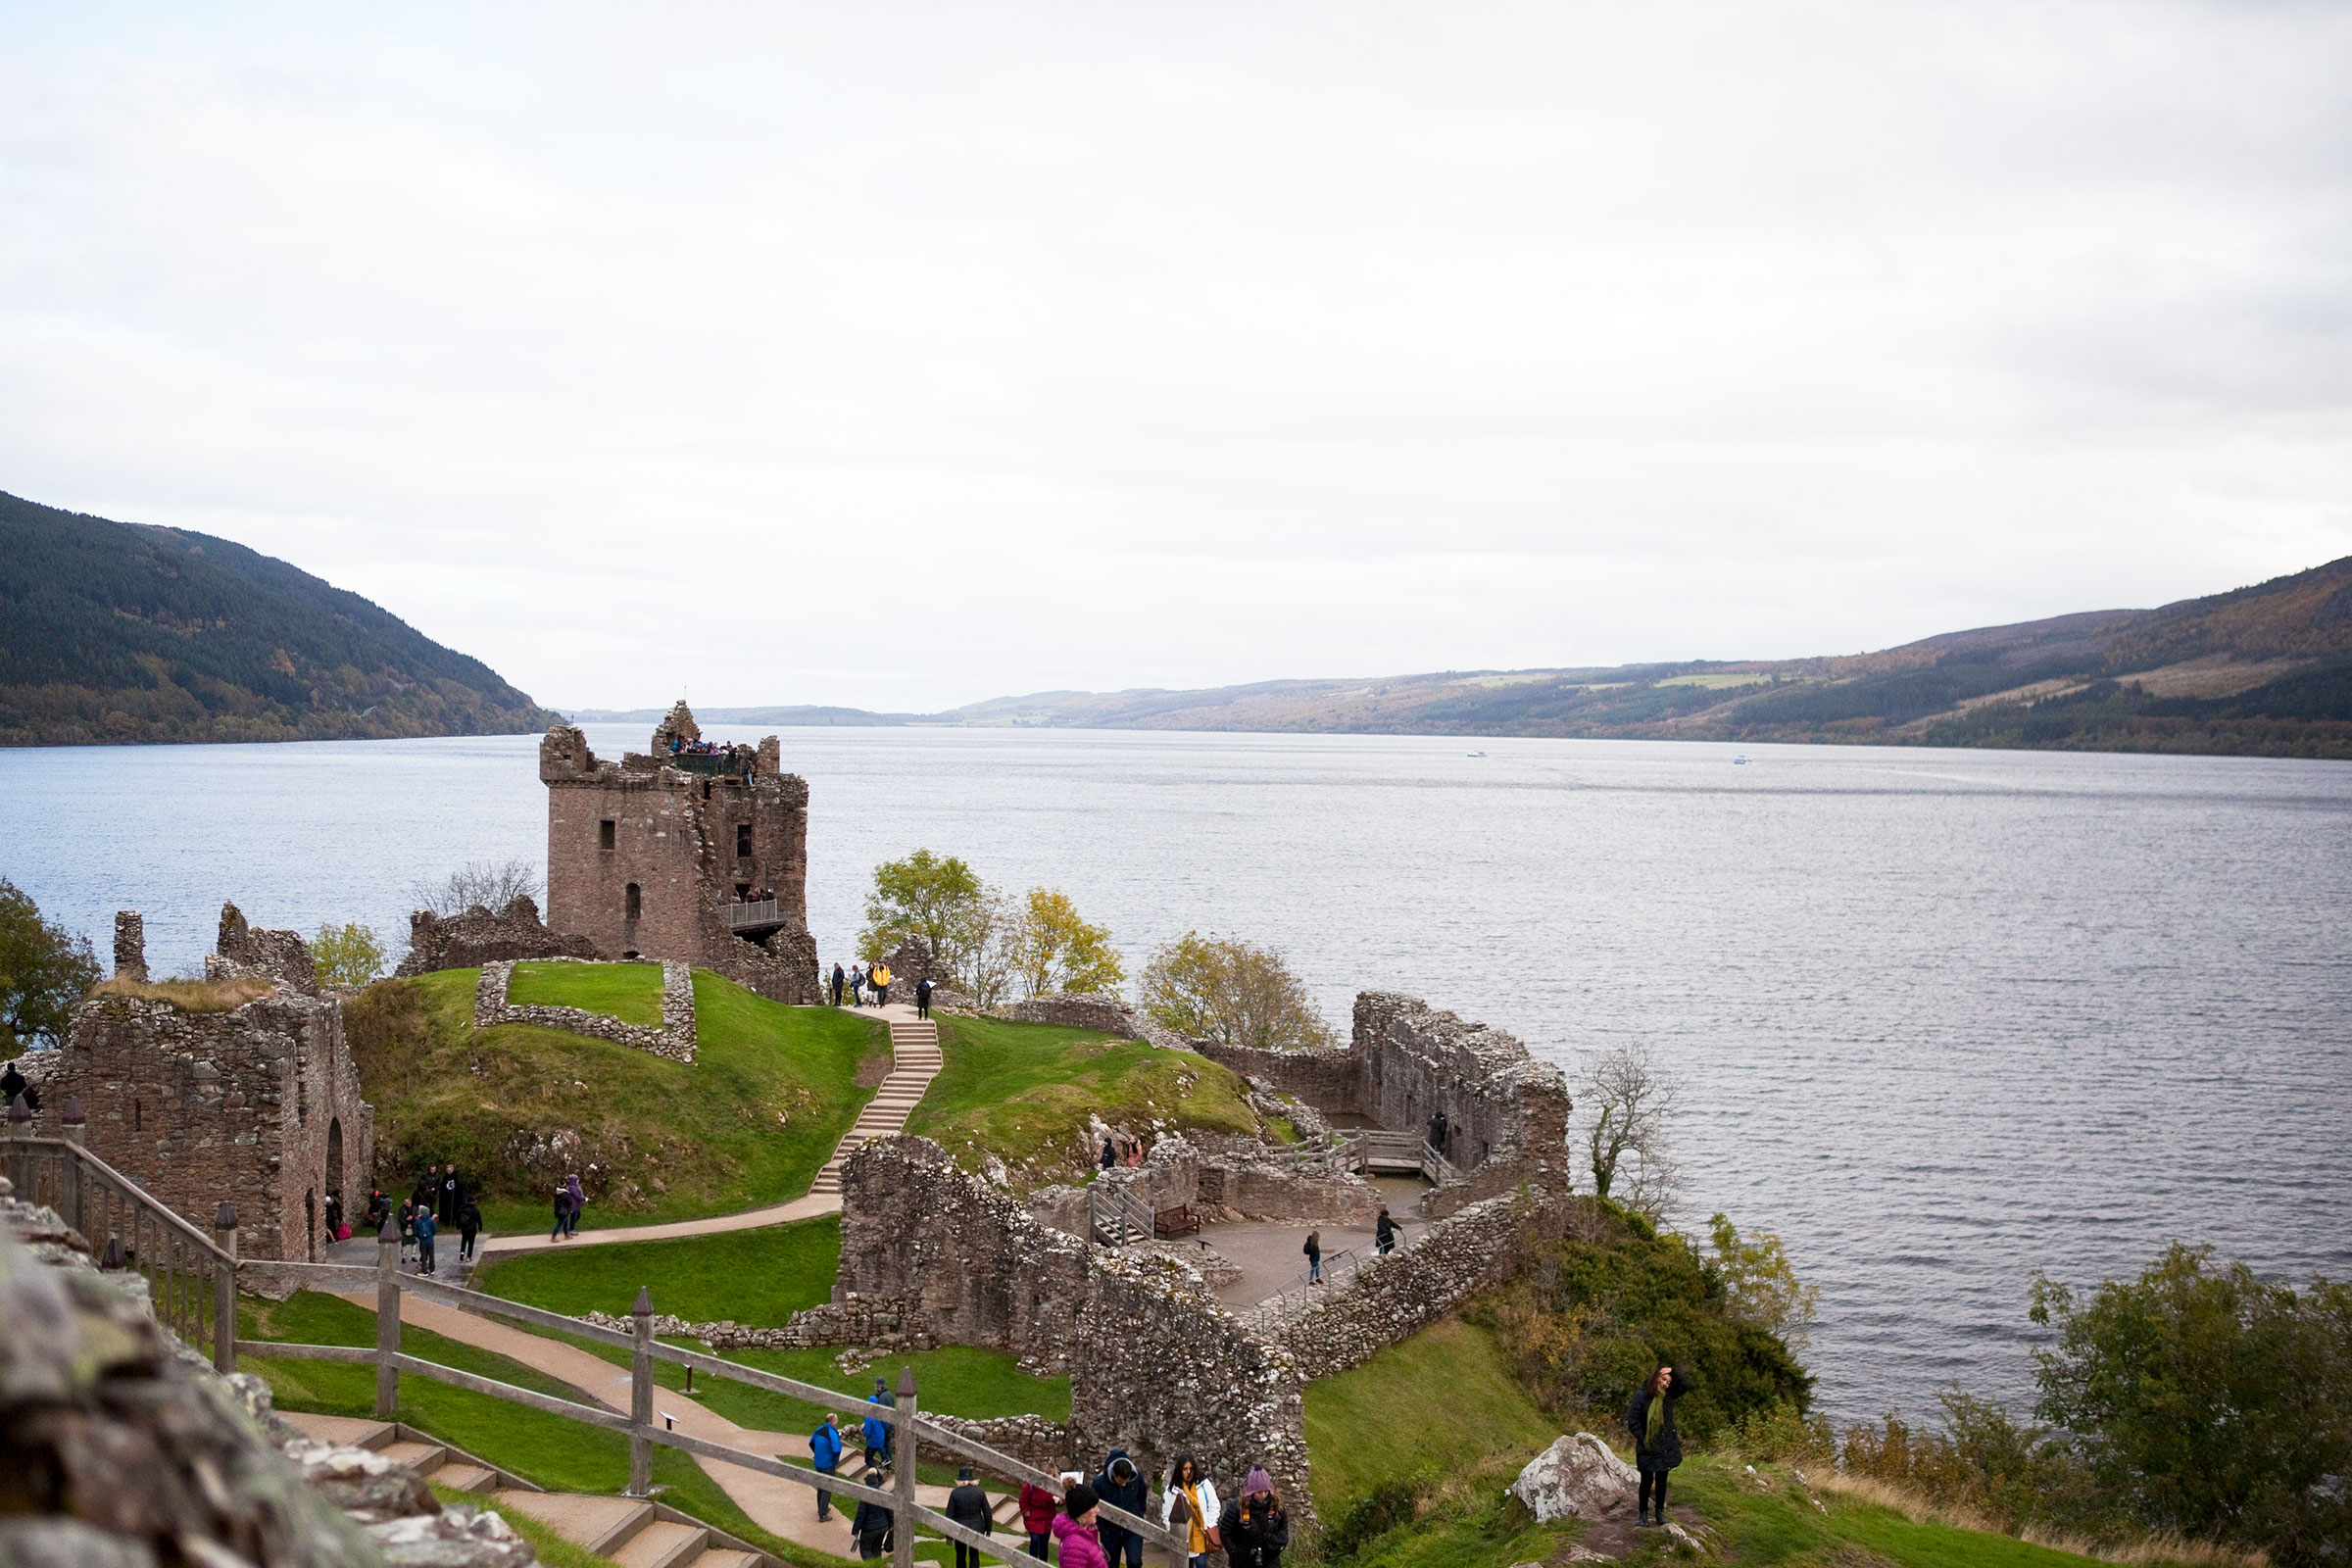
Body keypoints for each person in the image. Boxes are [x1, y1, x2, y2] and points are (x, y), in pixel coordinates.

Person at [1627, 1363, 1694, 1527]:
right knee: (1646, 1479)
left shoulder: (1668, 1396)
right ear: (1656, 1377)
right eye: (1663, 1379)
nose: (1665, 1384)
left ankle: (1659, 1513)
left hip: (1665, 1444)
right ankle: (1643, 1514)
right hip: (1647, 1444)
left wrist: (1672, 1371)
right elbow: (1632, 1420)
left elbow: (1686, 1385)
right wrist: (1644, 1439)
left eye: (1668, 1382)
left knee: (1662, 1479)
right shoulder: (1641, 1396)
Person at [1218, 1470, 1289, 1568]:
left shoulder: (1275, 1505)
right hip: (1243, 1561)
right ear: (1251, 1491)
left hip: (1270, 1561)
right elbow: (1224, 1532)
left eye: (1266, 1491)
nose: (1263, 1495)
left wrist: (1277, 1543)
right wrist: (1235, 1554)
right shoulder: (1237, 1508)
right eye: (1259, 1492)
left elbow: (1284, 1527)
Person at [1160, 1456, 1220, 1568]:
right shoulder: (1172, 1490)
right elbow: (1167, 1514)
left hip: (1201, 1533)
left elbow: (1214, 1505)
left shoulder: (1204, 1485)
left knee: (1201, 1564)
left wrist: (1209, 1525)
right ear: (1179, 1470)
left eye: (1191, 1469)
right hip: (1182, 1536)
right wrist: (1174, 1532)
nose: (1188, 1472)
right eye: (1185, 1469)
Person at [1093, 1450, 1147, 1566]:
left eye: (1126, 1481)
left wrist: (1140, 1514)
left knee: (1135, 1562)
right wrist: (1102, 1528)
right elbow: (1094, 1504)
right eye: (1121, 1481)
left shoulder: (1138, 1478)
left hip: (1133, 1528)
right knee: (1110, 1563)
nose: (1124, 1485)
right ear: (1113, 1473)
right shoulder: (1099, 1483)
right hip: (1110, 1531)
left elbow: (1142, 1496)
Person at [945, 1466, 992, 1568]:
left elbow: (949, 1514)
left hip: (960, 1528)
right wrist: (988, 1530)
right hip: (977, 1527)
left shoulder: (955, 1493)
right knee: (974, 1555)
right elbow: (987, 1512)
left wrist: (948, 1534)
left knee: (960, 1556)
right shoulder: (980, 1492)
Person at [1053, 1484, 1109, 1568]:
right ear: (1082, 1512)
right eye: (1093, 1507)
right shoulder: (1074, 1547)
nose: (1098, 1510)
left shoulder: (1086, 1533)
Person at [849, 1468, 892, 1560]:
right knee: (877, 1550)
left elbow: (860, 1515)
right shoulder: (883, 1494)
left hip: (869, 1530)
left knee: (866, 1551)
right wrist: (891, 1525)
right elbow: (890, 1512)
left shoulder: (865, 1497)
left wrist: (855, 1530)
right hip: (882, 1528)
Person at [808, 1412, 843, 1522]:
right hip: (828, 1464)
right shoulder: (832, 1433)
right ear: (833, 1421)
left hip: (818, 1463)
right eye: (836, 1420)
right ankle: (823, 1515)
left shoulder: (819, 1430)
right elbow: (836, 1449)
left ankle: (821, 1508)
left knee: (821, 1487)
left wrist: (818, 1454)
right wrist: (834, 1461)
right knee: (827, 1489)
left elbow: (811, 1442)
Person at [1016, 1480, 1059, 1560]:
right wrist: (1026, 1512)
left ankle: (1043, 1564)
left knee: (1044, 1544)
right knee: (1035, 1540)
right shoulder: (1030, 1486)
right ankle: (1033, 1562)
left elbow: (1060, 1497)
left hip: (1047, 1519)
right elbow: (1023, 1500)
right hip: (1034, 1519)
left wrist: (1059, 1501)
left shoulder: (1053, 1484)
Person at [860, 1384, 892, 1464]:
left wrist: (863, 1431)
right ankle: (886, 1459)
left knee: (868, 1458)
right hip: (881, 1435)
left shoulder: (869, 1417)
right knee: (879, 1447)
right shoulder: (879, 1414)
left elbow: (867, 1431)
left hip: (873, 1438)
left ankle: (876, 1473)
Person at [414, 1204, 437, 1276]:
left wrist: (420, 1236)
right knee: (431, 1254)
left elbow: (415, 1231)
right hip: (430, 1240)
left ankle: (425, 1271)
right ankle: (432, 1269)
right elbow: (434, 1230)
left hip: (422, 1241)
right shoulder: (431, 1220)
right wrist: (431, 1235)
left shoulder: (418, 1221)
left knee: (423, 1255)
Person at [459, 1192, 481, 1261]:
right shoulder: (475, 1210)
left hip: (464, 1228)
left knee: (463, 1241)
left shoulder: (462, 1209)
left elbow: (458, 1218)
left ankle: (462, 1254)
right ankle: (469, 1256)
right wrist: (480, 1226)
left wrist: (458, 1226)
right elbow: (479, 1219)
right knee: (471, 1243)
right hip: (472, 1229)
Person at [564, 1173, 586, 1237]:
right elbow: (578, 1196)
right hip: (573, 1205)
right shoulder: (573, 1187)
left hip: (576, 1205)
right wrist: (585, 1199)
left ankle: (571, 1226)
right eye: (577, 1180)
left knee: (577, 1215)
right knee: (574, 1216)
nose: (578, 1181)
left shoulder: (575, 1187)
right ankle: (571, 1229)